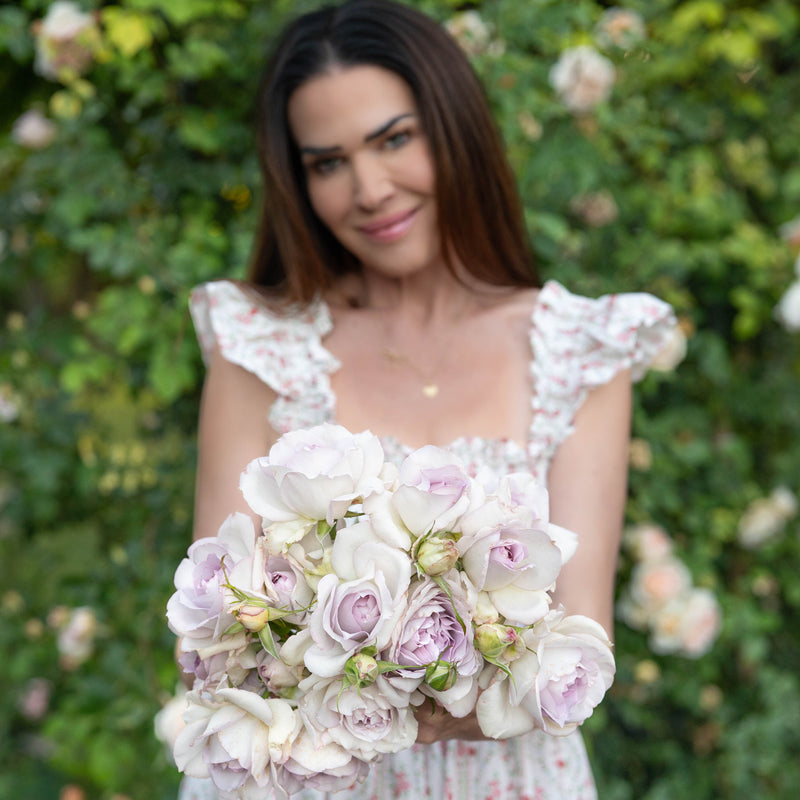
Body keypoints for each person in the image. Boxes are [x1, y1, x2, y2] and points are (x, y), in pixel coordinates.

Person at [179, 1, 675, 798]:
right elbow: (212, 631)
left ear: (455, 130)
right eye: (328, 162)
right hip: (301, 778)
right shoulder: (258, 345)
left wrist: (409, 676)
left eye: (394, 139)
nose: (370, 189)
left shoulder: (581, 348)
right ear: (297, 180)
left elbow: (581, 644)